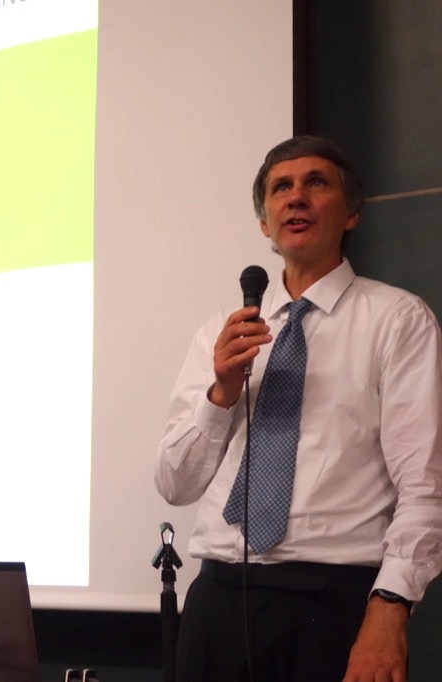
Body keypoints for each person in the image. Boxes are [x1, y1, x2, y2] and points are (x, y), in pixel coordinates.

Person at [155, 135, 442, 682]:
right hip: (216, 600)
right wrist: (220, 395)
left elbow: (426, 486)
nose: (296, 198)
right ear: (265, 223)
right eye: (280, 188)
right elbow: (175, 484)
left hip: (332, 604)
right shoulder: (221, 333)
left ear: (351, 212)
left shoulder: (398, 321)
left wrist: (390, 609)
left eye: (316, 183)